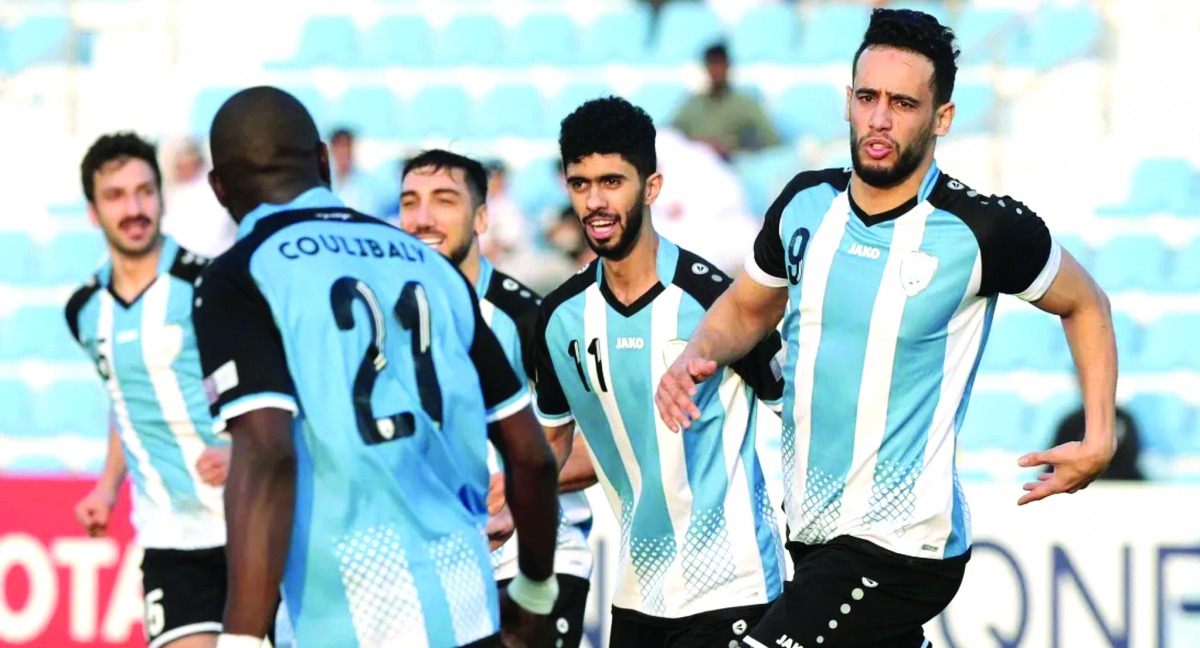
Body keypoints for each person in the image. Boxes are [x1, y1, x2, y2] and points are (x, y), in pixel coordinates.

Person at [655, 9, 1118, 648]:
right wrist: (695, 354)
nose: (879, 119)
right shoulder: (803, 206)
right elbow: (746, 309)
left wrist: (1099, 438)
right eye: (867, 97)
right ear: (848, 101)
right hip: (814, 536)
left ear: (942, 118)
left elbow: (1087, 303)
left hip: (906, 544)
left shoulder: (981, 230)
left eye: (902, 103)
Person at [192, 86, 561, 648]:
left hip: (346, 624)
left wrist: (240, 637)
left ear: (220, 188)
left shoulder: (239, 276)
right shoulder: (428, 265)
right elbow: (530, 455)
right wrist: (535, 589)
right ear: (322, 160)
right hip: (468, 614)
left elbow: (266, 455)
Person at [533, 96, 787, 646]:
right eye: (580, 184)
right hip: (636, 596)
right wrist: (510, 498)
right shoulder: (558, 320)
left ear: (650, 187)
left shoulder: (716, 301)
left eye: (612, 182)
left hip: (733, 593)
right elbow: (556, 447)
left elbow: (798, 411)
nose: (595, 202)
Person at [398, 148, 596, 648]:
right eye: (409, 202)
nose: (423, 218)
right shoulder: (383, 318)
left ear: (482, 216)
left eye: (444, 201)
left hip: (532, 566)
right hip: (431, 573)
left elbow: (601, 449)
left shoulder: (529, 320)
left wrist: (516, 487)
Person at [65, 132, 231, 648]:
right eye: (116, 196)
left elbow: (269, 387)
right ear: (94, 212)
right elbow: (124, 399)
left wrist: (240, 447)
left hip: (250, 518)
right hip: (169, 536)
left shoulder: (212, 284)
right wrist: (107, 487)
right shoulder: (84, 309)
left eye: (144, 191)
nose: (134, 208)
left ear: (162, 196)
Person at [671, 42, 779, 159]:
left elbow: (770, 139)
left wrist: (735, 149)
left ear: (727, 66)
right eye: (712, 64)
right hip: (695, 162)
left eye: (720, 64)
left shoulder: (744, 104)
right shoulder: (692, 104)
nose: (716, 70)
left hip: (730, 164)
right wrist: (695, 144)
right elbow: (671, 133)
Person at [162, 137, 238, 258]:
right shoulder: (169, 194)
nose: (188, 166)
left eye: (190, 160)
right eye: (182, 163)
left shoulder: (215, 186)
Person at [328, 127, 379, 214]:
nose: (344, 152)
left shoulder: (365, 184)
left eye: (347, 146)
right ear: (333, 149)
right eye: (340, 147)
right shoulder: (324, 181)